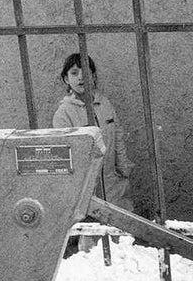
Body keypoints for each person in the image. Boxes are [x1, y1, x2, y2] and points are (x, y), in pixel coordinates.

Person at [52, 52, 135, 213]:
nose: (80, 78)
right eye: (74, 73)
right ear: (66, 79)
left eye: (86, 72)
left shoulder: (104, 104)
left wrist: (124, 169)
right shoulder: (64, 113)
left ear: (93, 76)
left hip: (113, 183)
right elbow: (64, 155)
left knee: (119, 231)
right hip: (86, 187)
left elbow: (117, 135)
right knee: (92, 233)